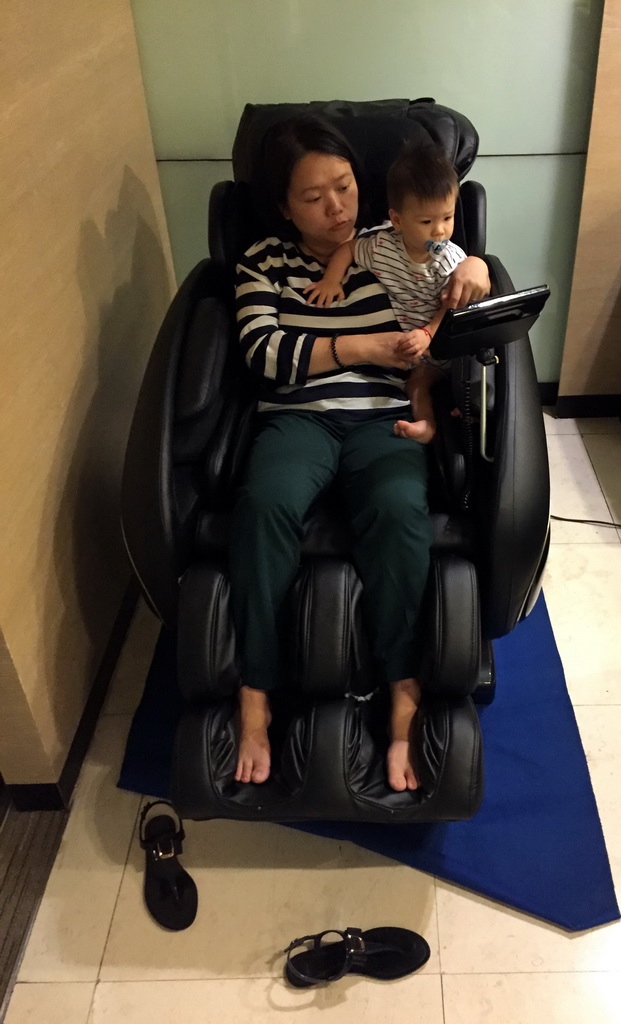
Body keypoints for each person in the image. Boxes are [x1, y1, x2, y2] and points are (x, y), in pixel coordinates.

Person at [230, 114, 490, 792]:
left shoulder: (391, 245)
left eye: (344, 187)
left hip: (383, 417)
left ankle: (401, 686)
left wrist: (478, 266)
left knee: (400, 512)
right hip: (299, 418)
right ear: (285, 206)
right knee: (264, 506)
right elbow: (265, 354)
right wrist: (360, 348)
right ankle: (256, 692)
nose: (336, 207)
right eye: (314, 198)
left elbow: (451, 284)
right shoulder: (263, 261)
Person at [304, 142, 466, 445]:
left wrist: (429, 333)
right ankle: (427, 427)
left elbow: (454, 305)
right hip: (415, 355)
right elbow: (349, 248)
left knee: (476, 370)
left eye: (447, 218)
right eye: (427, 222)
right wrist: (331, 280)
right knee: (417, 385)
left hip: (447, 338)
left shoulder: (450, 259)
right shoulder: (382, 247)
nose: (440, 232)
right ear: (398, 220)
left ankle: (471, 411)